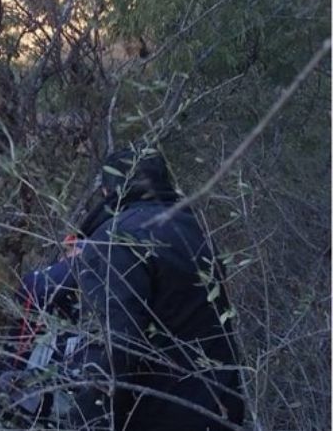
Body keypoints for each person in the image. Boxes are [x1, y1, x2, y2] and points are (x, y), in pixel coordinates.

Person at [15, 148, 244, 430]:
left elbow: (113, 348)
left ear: (107, 190)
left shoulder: (117, 239)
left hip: (160, 416)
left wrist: (85, 421)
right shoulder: (194, 230)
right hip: (219, 409)